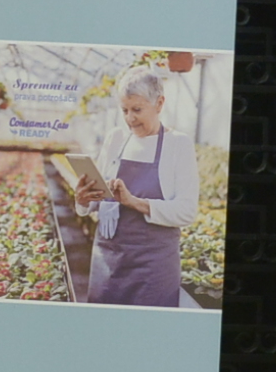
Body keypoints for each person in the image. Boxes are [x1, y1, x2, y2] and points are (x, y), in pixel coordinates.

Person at [73, 71, 200, 307]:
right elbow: (98, 199)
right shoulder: (116, 138)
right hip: (109, 260)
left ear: (159, 103)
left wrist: (134, 202)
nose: (130, 118)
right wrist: (83, 199)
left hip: (153, 267)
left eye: (137, 110)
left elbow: (187, 211)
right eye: (124, 110)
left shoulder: (177, 144)